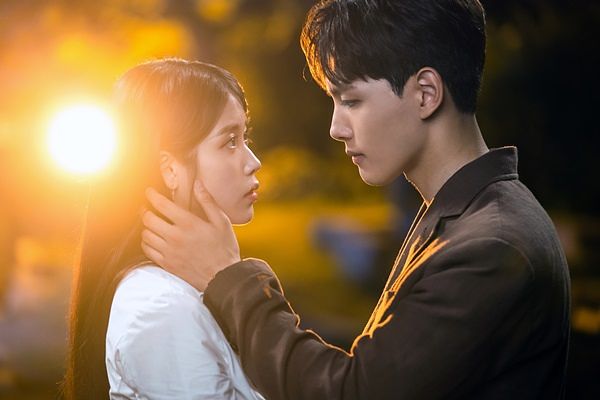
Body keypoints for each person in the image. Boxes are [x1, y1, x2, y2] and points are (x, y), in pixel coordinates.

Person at [141, 1, 571, 399]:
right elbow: (386, 364)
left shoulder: (491, 247)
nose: (336, 127)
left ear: (426, 93)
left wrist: (227, 276)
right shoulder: (461, 214)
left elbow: (354, 392)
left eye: (351, 100)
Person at [64, 59, 263, 399]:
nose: (252, 161)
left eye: (245, 137)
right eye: (230, 141)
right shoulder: (162, 309)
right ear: (170, 169)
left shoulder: (177, 290)